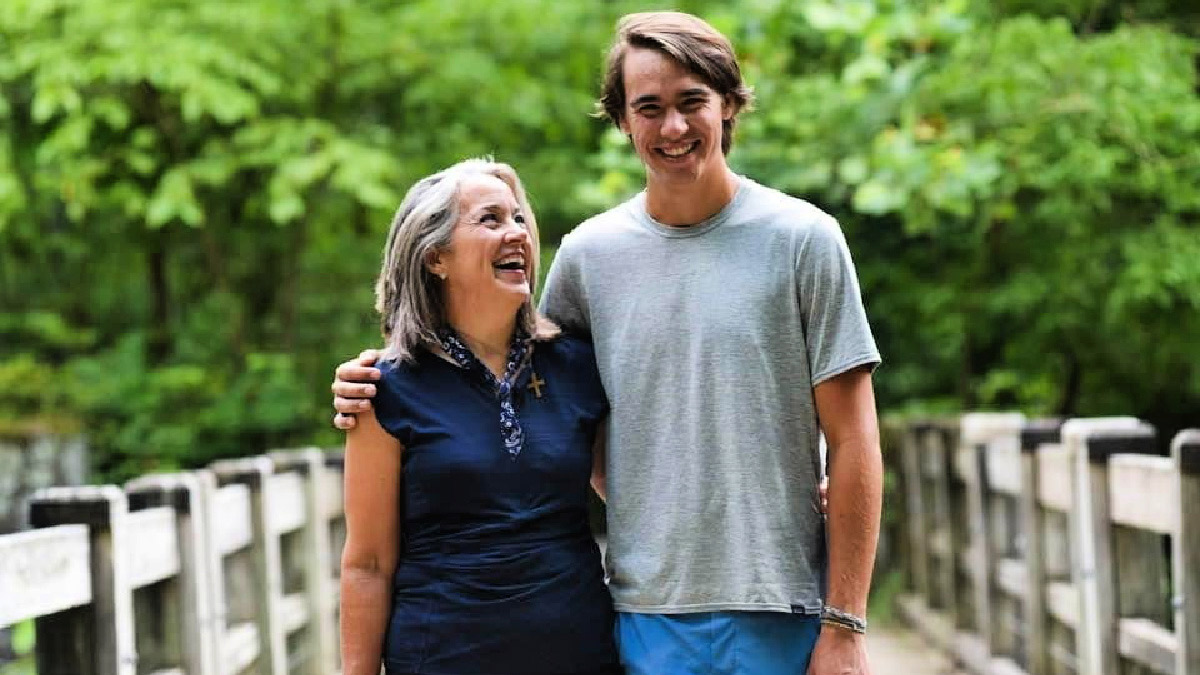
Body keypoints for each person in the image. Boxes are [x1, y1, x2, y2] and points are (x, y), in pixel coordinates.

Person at [334, 12, 883, 675]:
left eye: (692, 102)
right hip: (640, 616)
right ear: (622, 119)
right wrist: (368, 377)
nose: (672, 127)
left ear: (730, 103)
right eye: (648, 107)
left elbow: (855, 440)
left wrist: (845, 622)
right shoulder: (588, 258)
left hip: (785, 608)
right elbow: (549, 409)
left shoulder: (806, 240)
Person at [338, 158, 621, 675]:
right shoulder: (384, 390)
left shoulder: (578, 366)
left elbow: (633, 498)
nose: (516, 234)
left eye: (518, 220)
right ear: (435, 257)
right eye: (490, 220)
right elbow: (368, 564)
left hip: (579, 655)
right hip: (441, 658)